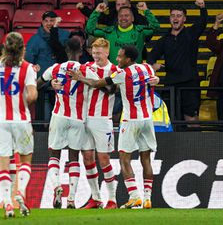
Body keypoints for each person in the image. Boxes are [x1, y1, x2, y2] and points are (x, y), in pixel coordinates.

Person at [70, 45, 160, 209]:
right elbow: (154, 78)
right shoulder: (146, 68)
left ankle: (134, 196)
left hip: (131, 120)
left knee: (124, 159)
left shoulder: (121, 73)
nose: (117, 59)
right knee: (145, 159)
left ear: (129, 59)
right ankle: (147, 198)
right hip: (147, 119)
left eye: (120, 57)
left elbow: (97, 83)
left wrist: (80, 78)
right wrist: (157, 79)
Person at [0, 32, 38, 217]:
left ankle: (7, 203)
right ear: (22, 49)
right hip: (21, 120)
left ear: (5, 48)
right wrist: (22, 98)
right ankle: (20, 191)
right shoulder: (28, 68)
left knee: (3, 164)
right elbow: (32, 95)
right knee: (25, 160)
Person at [39, 37, 99, 209]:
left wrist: (51, 83)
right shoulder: (85, 69)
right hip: (78, 118)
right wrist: (83, 80)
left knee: (54, 155)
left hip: (59, 116)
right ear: (81, 52)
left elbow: (37, 84)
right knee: (74, 158)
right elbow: (99, 84)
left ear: (66, 51)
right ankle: (71, 199)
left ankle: (57, 186)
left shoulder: (55, 68)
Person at [147, 0, 207, 123]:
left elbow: (202, 23)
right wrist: (153, 65)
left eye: (179, 16)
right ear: (169, 18)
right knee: (170, 118)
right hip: (171, 84)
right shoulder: (164, 39)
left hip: (190, 83)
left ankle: (194, 143)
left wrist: (202, 8)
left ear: (184, 19)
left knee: (191, 119)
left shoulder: (191, 33)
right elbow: (151, 56)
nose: (175, 18)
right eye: (173, 15)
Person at [78, 37, 119, 209]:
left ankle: (112, 199)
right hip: (85, 118)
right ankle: (96, 198)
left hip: (103, 120)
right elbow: (69, 76)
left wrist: (87, 80)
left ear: (107, 52)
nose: (96, 56)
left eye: (99, 53)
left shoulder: (115, 70)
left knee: (104, 159)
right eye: (94, 53)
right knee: (87, 158)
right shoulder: (86, 67)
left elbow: (110, 90)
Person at [25, 11, 71, 120]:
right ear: (42, 22)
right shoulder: (35, 39)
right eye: (46, 21)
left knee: (59, 114)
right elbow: (29, 60)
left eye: (52, 20)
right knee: (42, 115)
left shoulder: (64, 36)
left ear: (56, 22)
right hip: (42, 83)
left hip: (60, 81)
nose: (49, 23)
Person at [86, 2, 159, 64]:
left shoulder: (140, 31)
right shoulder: (109, 32)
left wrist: (146, 11)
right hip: (115, 74)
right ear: (117, 18)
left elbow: (156, 27)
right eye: (121, 16)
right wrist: (97, 12)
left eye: (126, 15)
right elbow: (89, 29)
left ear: (132, 18)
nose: (123, 18)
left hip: (135, 75)